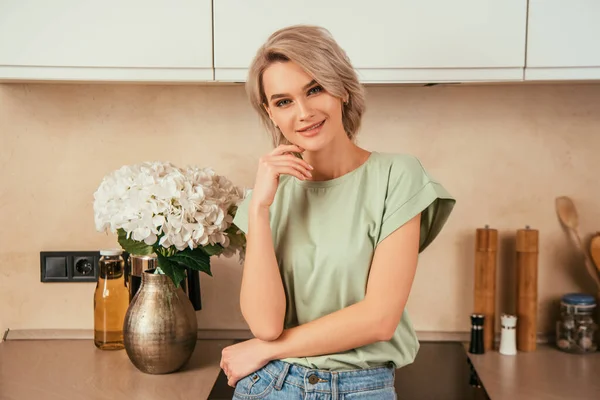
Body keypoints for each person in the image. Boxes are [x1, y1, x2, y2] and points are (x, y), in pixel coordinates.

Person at [220, 25, 456, 399]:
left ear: (342, 88)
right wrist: (259, 210)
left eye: (314, 89)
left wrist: (270, 349)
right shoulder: (267, 196)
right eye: (283, 102)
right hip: (271, 387)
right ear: (271, 113)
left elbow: (379, 320)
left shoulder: (397, 176)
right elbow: (265, 325)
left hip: (361, 388)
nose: (304, 113)